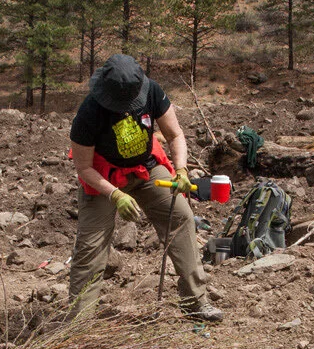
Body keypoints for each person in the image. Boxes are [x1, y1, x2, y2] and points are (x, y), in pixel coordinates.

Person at [68, 53, 222, 322]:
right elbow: (83, 168)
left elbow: (175, 135)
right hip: (104, 175)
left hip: (146, 167)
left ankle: (195, 302)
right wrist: (115, 194)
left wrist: (182, 170)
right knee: (90, 248)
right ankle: (77, 325)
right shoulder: (89, 112)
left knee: (182, 217)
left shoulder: (152, 91)